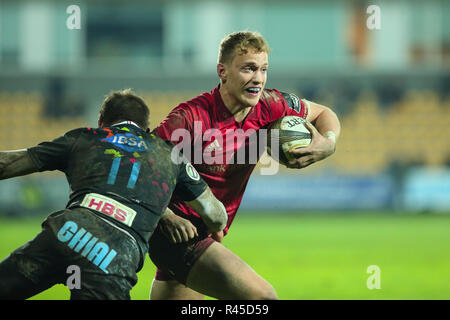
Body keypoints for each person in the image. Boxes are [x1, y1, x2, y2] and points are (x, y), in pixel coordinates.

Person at [147, 31, 341, 300]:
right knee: (263, 299)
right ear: (222, 71)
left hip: (206, 233)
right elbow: (140, 164)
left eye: (263, 69)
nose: (258, 78)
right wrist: (167, 216)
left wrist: (328, 143)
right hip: (177, 235)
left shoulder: (270, 106)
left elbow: (323, 113)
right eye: (248, 68)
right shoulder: (190, 118)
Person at [0, 89, 227, 300]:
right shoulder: (169, 154)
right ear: (146, 130)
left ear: (102, 124)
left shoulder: (84, 137)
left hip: (64, 232)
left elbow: (7, 164)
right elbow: (217, 216)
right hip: (113, 254)